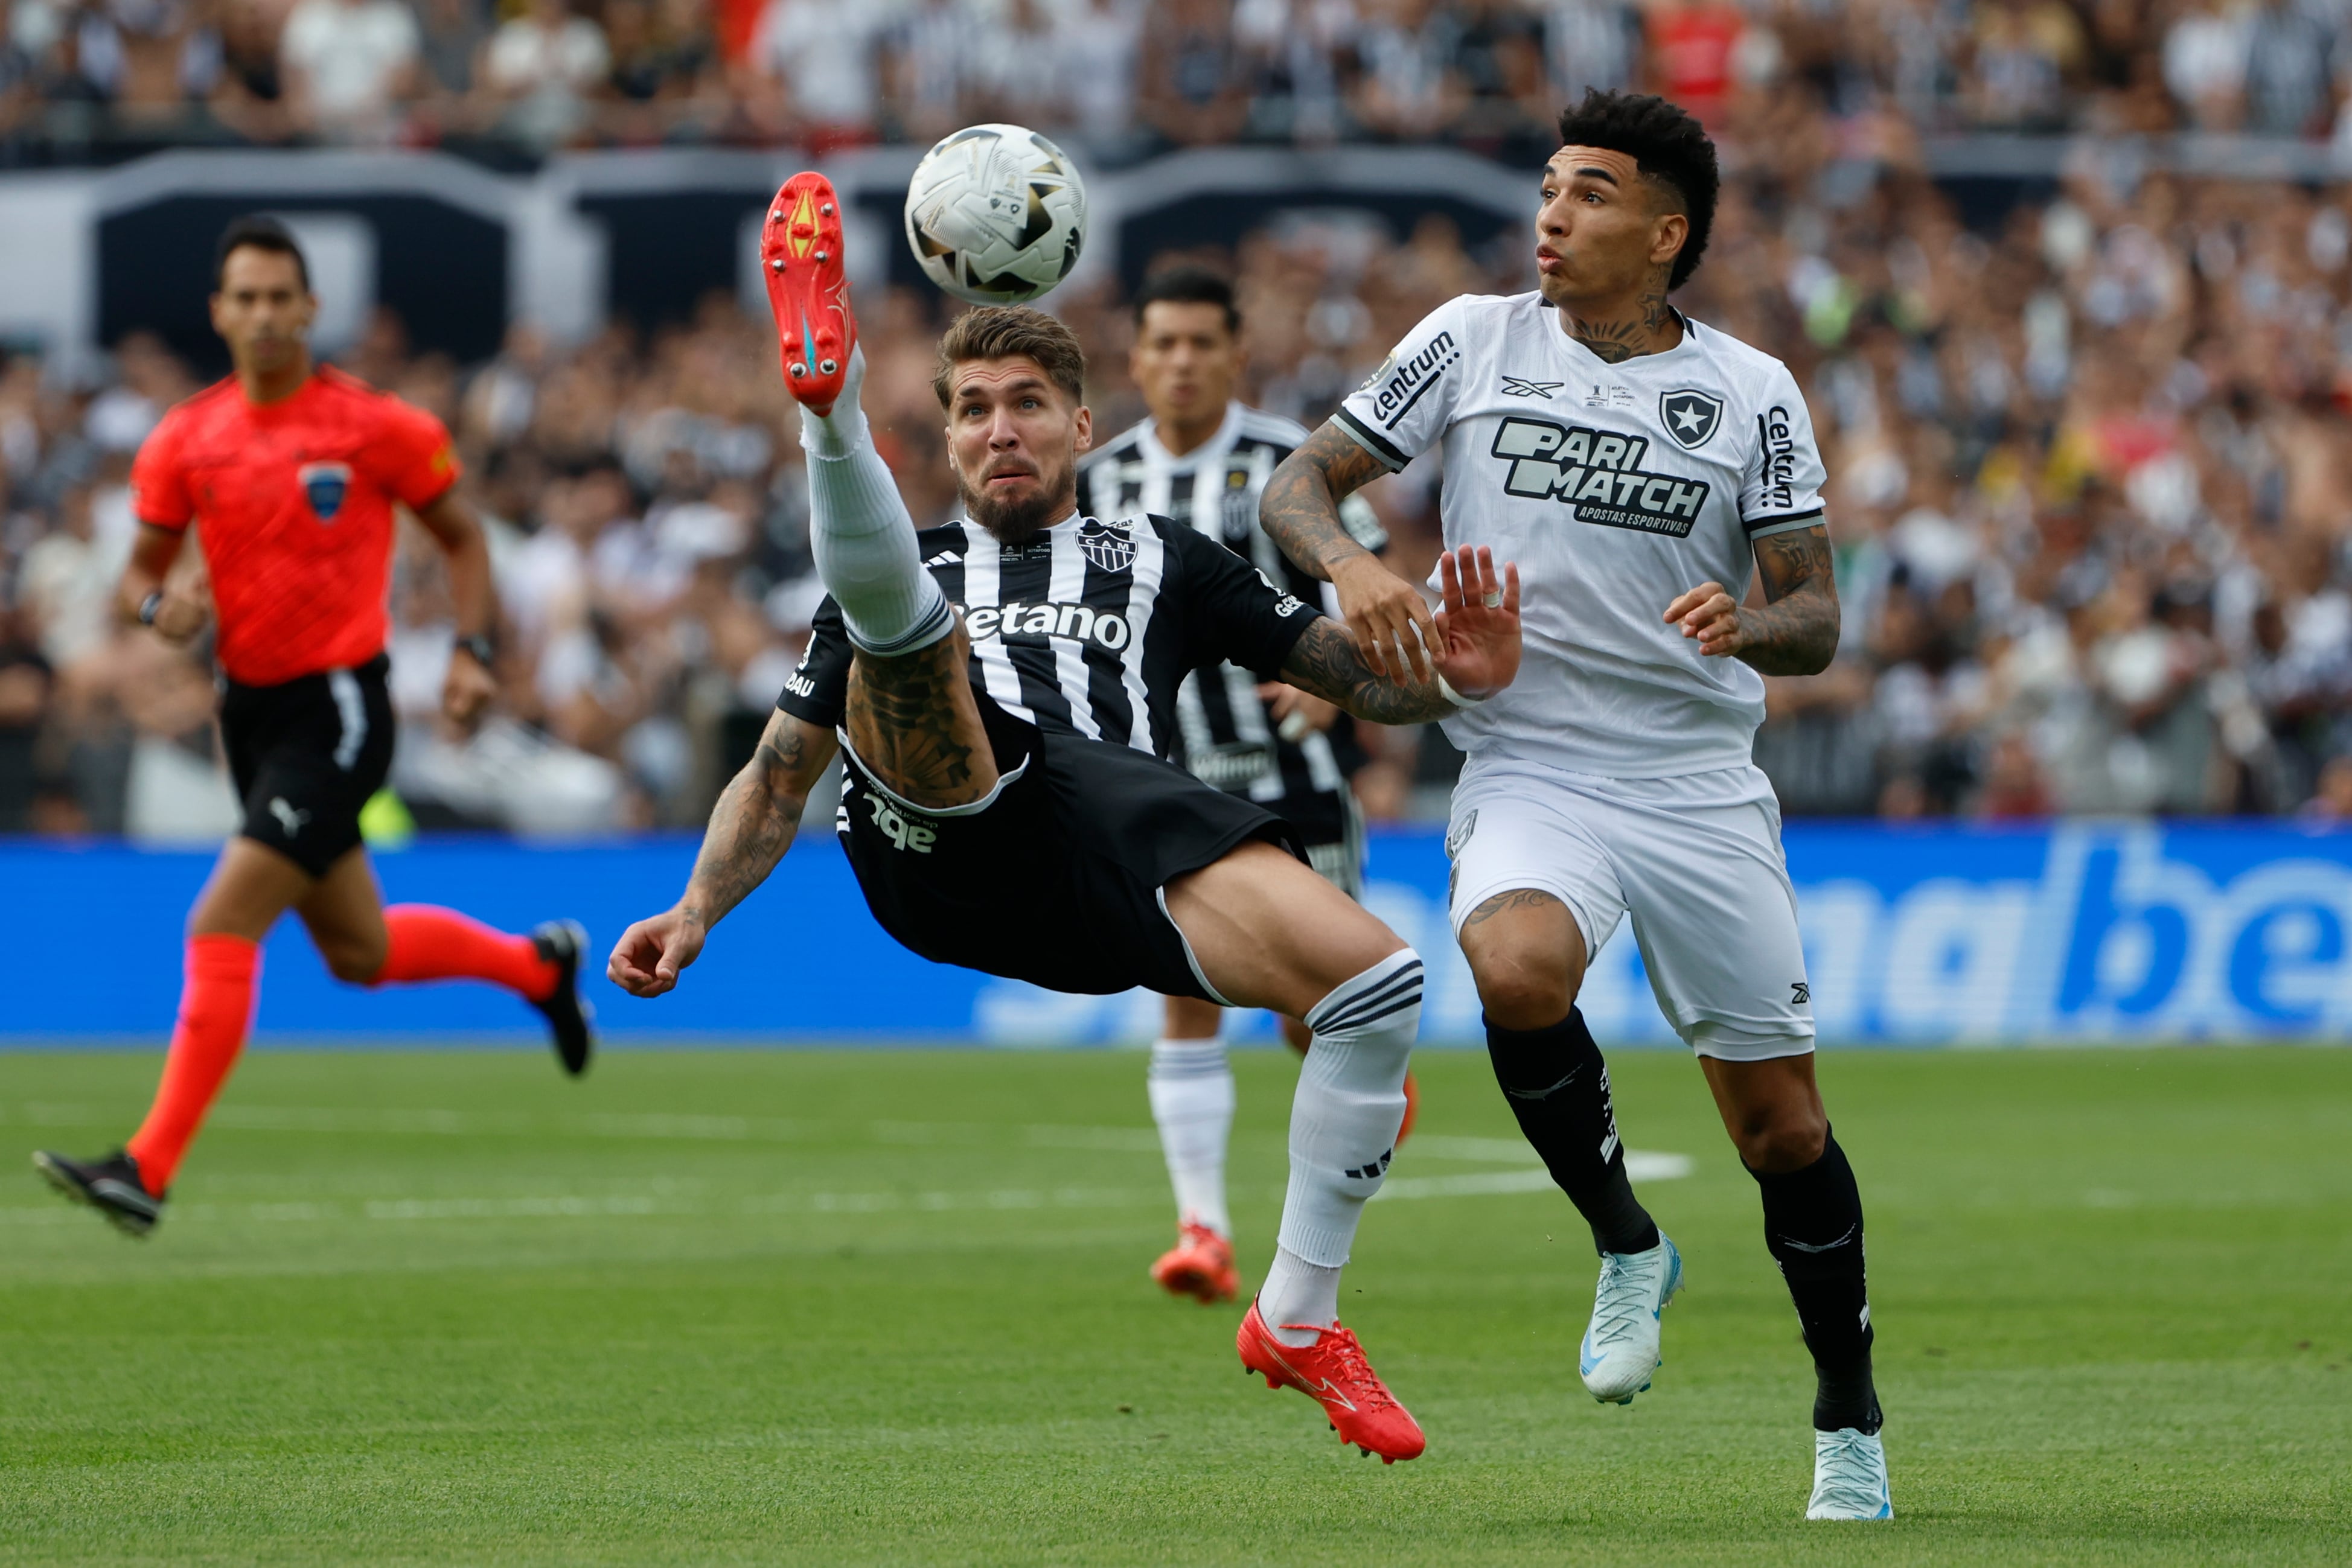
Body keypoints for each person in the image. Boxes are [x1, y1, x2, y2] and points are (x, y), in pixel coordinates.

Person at [607, 174, 1523, 1464]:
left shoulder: (1167, 559)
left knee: (1379, 987)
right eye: (971, 410)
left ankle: (1298, 1318)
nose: (999, 431)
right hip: (941, 845)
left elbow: (1354, 677)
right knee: (907, 642)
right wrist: (694, 911)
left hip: (1114, 864)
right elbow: (776, 772)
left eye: (1026, 404)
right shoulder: (922, 562)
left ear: (1083, 423)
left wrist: (1452, 674)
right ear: (943, 440)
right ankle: (830, 417)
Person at [1258, 91, 1891, 1520]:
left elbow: (1817, 618)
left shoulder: (1752, 391)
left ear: (1666, 235)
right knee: (1513, 964)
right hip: (1528, 762)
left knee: (1782, 1134)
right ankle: (1623, 1242)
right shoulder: (1471, 339)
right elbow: (1298, 486)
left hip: (1694, 783)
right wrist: (1356, 571)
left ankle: (1846, 1415)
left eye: (1591, 194)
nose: (1552, 213)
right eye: (1548, 187)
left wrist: (1750, 623)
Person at [33, 217, 594, 1240]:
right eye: (241, 298)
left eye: (276, 296)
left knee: (220, 923)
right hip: (245, 714)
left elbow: (465, 541)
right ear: (219, 312)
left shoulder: (374, 426)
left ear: (308, 309)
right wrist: (165, 615)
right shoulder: (185, 438)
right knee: (359, 952)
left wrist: (470, 653)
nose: (260, 314)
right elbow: (139, 580)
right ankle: (537, 967)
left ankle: (146, 1168)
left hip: (339, 707)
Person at [1076, 264, 1417, 1308]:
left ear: (1236, 355)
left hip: (1295, 777)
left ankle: (1328, 1194)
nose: (1181, 361)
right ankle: (1204, 1231)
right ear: (1136, 359)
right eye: (1162, 343)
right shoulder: (1095, 484)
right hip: (1165, 780)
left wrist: (1339, 698)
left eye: (1200, 344)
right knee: (1184, 997)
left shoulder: (1288, 466)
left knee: (1317, 1017)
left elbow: (1372, 594)